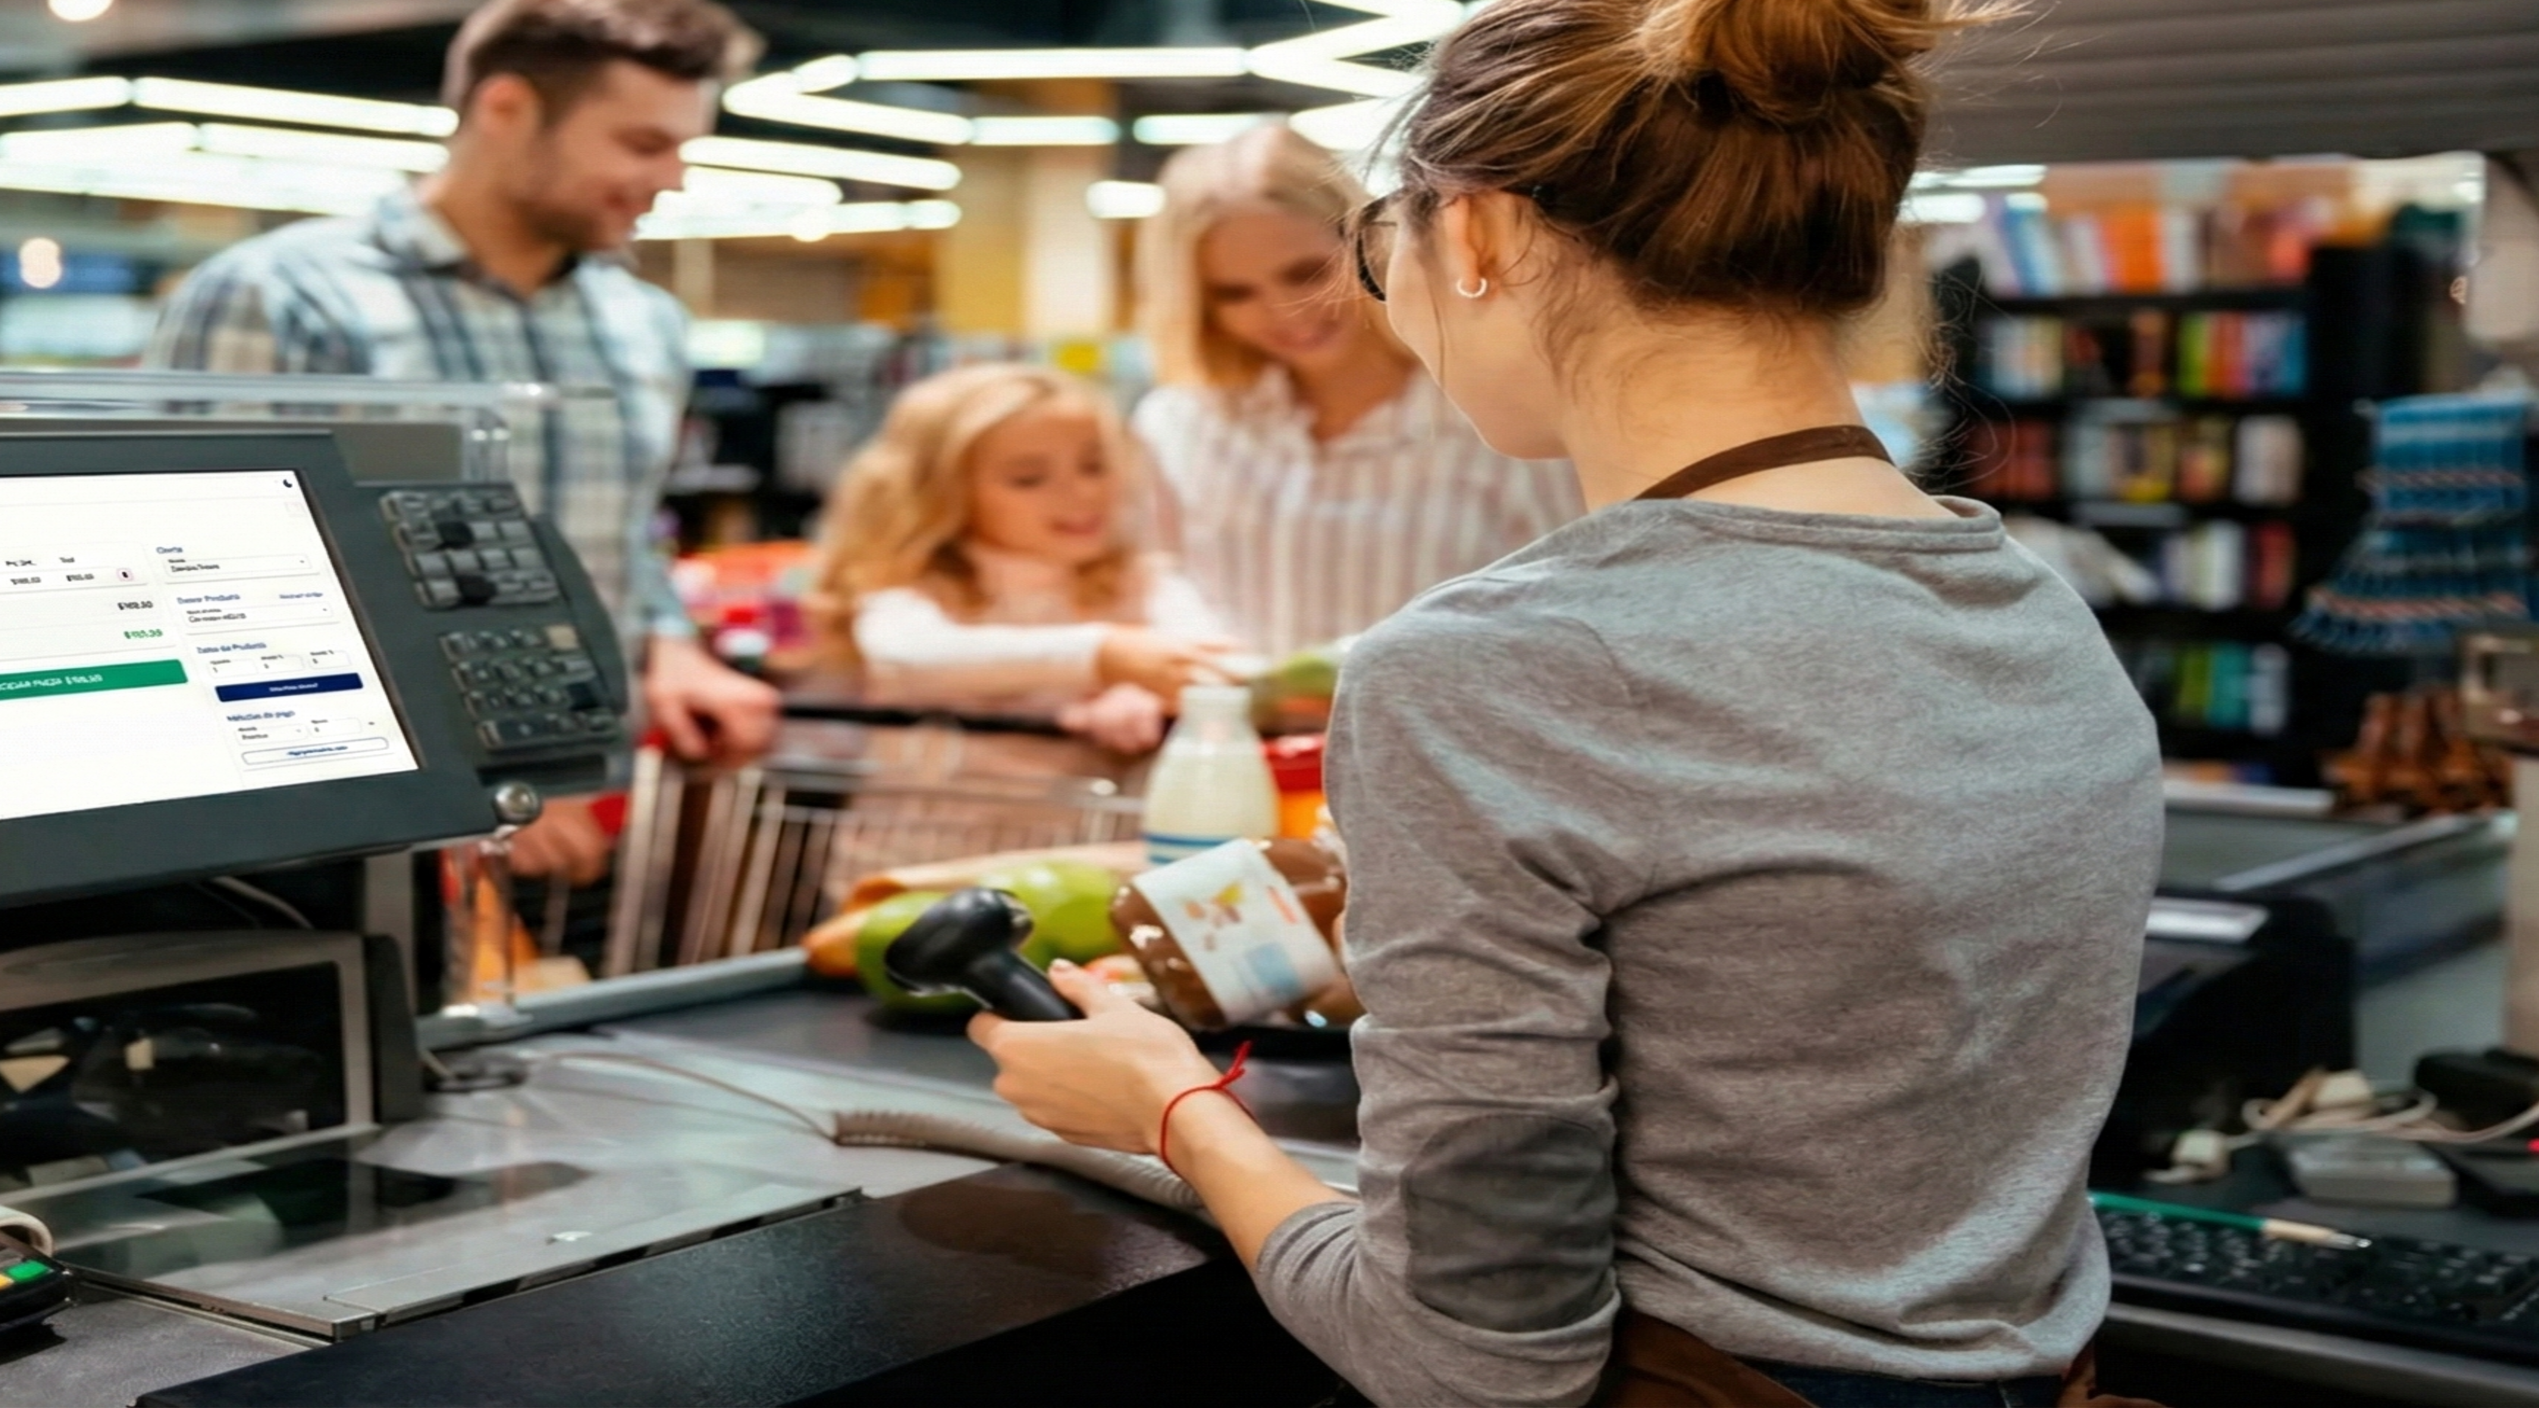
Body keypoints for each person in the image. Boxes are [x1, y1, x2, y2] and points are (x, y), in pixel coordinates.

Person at [968, 2, 2166, 1406]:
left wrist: (1169, 1115)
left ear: (1473, 235)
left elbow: (1469, 1364)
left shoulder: (1480, 668)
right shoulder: (2032, 605)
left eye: (1377, 245)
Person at [146, 0, 780, 888]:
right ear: (507, 109)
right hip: (348, 828)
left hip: (584, 813)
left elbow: (624, 533)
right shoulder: (286, 295)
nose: (673, 179)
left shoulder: (645, 323)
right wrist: (463, 783)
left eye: (684, 148)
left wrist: (668, 643)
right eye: (643, 144)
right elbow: (217, 583)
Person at [1130, 125, 1585, 659]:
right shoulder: (1177, 424)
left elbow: (1574, 599)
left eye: (1305, 273)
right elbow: (1149, 576)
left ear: (1370, 242)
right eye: (1235, 293)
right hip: (1227, 735)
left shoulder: (1501, 419)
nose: (1283, 312)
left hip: (1437, 732)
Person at [809, 363, 1241, 763]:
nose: (1083, 494)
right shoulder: (914, 585)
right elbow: (905, 655)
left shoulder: (1141, 580)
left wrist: (1148, 692)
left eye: (1094, 466)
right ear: (944, 492)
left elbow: (1215, 661)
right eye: (1028, 478)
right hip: (914, 843)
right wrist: (1104, 654)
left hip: (1091, 839)